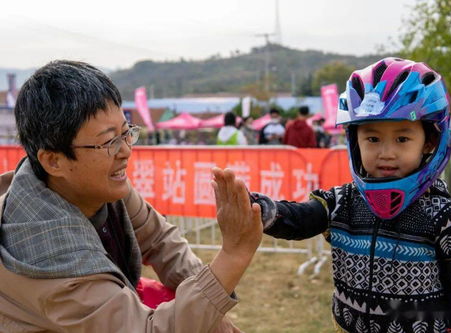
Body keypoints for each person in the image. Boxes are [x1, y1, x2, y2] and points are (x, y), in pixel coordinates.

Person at [0, 60, 263, 332]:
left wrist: (214, 314)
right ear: (54, 161)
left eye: (126, 133)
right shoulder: (49, 258)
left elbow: (161, 241)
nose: (125, 150)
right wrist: (233, 255)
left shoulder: (97, 188)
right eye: (109, 141)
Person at [248, 58, 451, 333]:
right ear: (354, 141)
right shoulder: (342, 202)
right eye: (373, 139)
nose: (386, 153)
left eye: (402, 139)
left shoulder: (442, 214)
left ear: (430, 141)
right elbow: (301, 219)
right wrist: (258, 210)